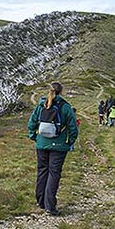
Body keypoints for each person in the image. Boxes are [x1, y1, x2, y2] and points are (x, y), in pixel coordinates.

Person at [27, 82, 78, 215]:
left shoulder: (41, 105)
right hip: (59, 146)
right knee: (53, 173)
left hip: (41, 144)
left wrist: (34, 137)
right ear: (61, 92)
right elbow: (73, 127)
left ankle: (41, 201)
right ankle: (50, 206)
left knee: (42, 171)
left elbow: (32, 122)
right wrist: (70, 142)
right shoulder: (65, 107)